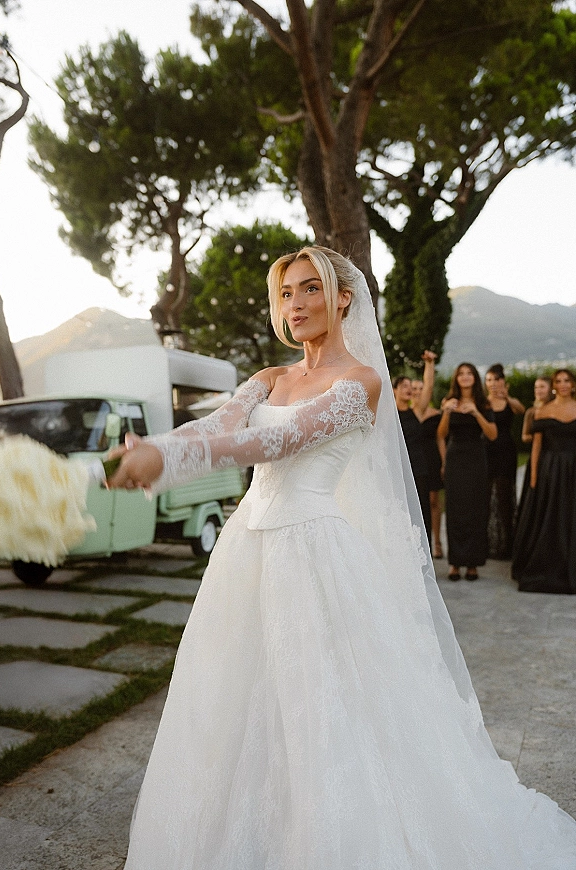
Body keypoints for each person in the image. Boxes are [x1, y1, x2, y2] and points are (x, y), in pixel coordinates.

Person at [108, 248, 576, 869]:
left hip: (314, 552)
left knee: (319, 705)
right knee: (237, 697)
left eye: (308, 290)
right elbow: (216, 424)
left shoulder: (363, 383)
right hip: (249, 547)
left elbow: (276, 440)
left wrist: (169, 465)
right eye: (285, 294)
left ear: (343, 298)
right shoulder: (271, 377)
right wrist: (155, 447)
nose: (294, 305)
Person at [512, 368, 576, 594]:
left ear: (573, 384)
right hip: (552, 470)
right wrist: (534, 479)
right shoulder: (543, 411)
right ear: (554, 386)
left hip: (573, 469)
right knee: (552, 516)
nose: (563, 384)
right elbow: (537, 447)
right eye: (558, 381)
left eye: (567, 380)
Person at [437, 362, 497, 581]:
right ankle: (455, 563)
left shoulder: (483, 403)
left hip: (476, 458)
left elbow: (492, 435)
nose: (465, 376)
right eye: (461, 373)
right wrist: (446, 412)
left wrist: (476, 413)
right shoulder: (448, 400)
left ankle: (472, 563)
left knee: (475, 508)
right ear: (456, 378)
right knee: (455, 509)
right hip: (454, 458)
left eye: (469, 373)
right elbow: (441, 434)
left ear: (474, 378)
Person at [392, 350, 437, 544]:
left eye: (411, 386)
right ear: (394, 390)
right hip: (397, 470)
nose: (409, 389)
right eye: (404, 386)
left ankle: (423, 557)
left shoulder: (417, 411)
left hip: (419, 469)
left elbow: (428, 388)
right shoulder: (388, 414)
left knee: (421, 514)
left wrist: (429, 364)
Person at [484, 364, 525, 559]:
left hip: (506, 452)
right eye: (489, 380)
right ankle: (488, 543)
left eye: (495, 380)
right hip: (486, 452)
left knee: (504, 496)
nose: (492, 384)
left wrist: (506, 395)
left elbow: (521, 410)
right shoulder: (482, 402)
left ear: (502, 381)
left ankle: (507, 544)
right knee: (486, 497)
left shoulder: (509, 401)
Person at [411, 377, 443, 558]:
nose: (416, 391)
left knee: (433, 501)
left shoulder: (435, 413)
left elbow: (440, 438)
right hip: (415, 460)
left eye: (420, 388)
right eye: (413, 388)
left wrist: (444, 461)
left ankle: (437, 541)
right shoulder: (407, 413)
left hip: (431, 458)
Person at [517, 375, 553, 513]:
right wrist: (537, 437)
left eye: (542, 387)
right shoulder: (531, 412)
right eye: (536, 387)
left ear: (550, 389)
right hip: (538, 456)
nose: (538, 390)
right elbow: (524, 436)